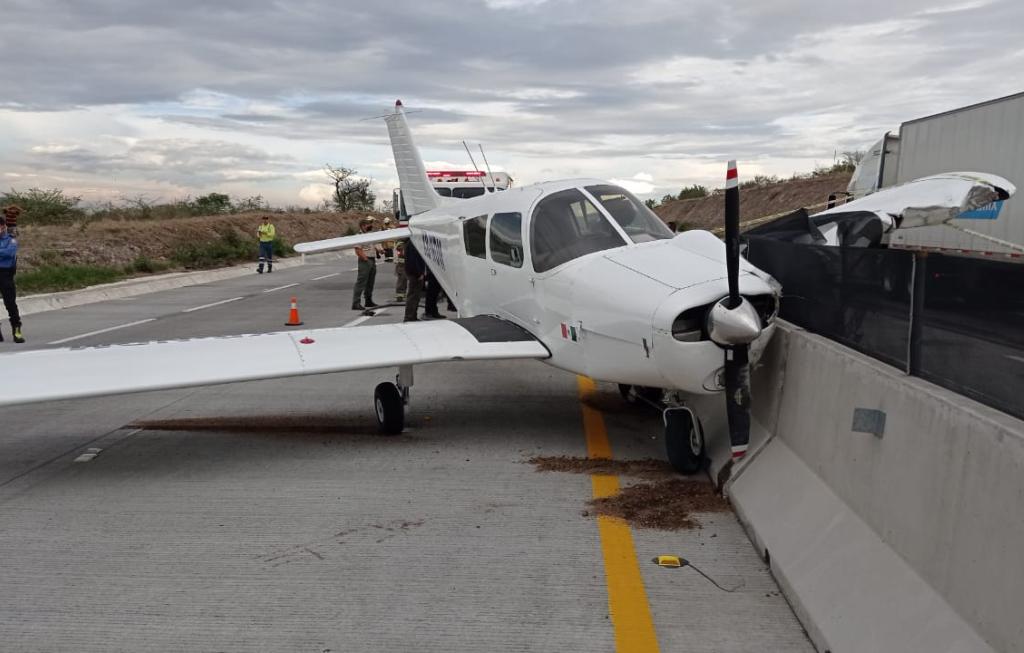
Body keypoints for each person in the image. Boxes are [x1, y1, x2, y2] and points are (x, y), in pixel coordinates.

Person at [0, 216, 24, 343]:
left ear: (3, 226)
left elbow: (9, 253)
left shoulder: (11, 240)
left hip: (5, 274)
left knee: (10, 304)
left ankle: (16, 329)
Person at [352, 216, 380, 311]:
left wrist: (380, 250)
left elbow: (374, 245)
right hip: (365, 261)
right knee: (361, 282)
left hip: (372, 260)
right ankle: (356, 303)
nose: (370, 226)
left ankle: (368, 300)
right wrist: (366, 259)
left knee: (370, 282)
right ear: (363, 226)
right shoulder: (358, 236)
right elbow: (358, 250)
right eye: (368, 225)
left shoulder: (369, 235)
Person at [403, 240, 426, 322]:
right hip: (415, 273)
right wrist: (419, 273)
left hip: (414, 272)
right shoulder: (413, 243)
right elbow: (413, 260)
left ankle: (412, 316)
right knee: (413, 296)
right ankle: (409, 317)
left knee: (415, 296)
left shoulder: (412, 242)